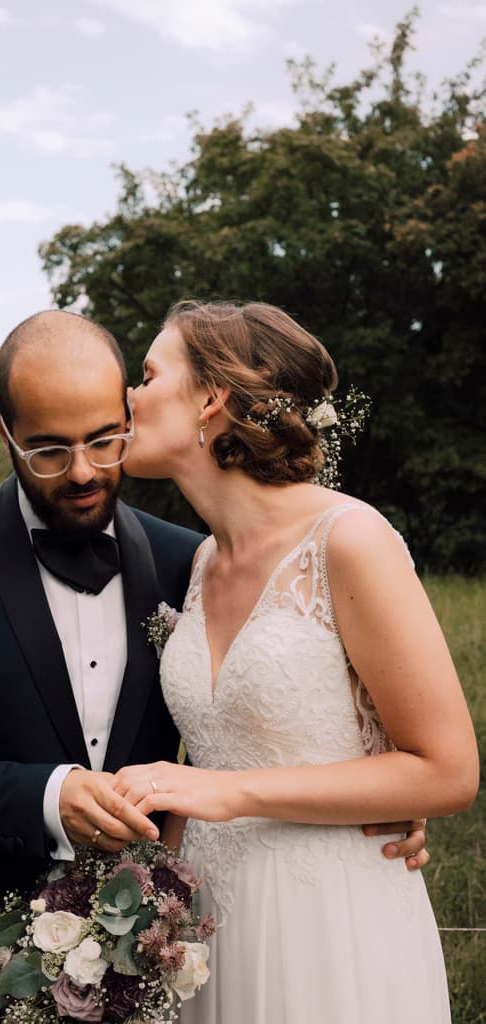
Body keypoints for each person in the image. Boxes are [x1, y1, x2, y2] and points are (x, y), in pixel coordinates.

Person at [0, 308, 429, 1024]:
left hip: (172, 963)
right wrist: (45, 798)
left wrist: (370, 791)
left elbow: (272, 724)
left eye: (103, 438)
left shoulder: (182, 558)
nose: (85, 471)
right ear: (4, 432)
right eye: (48, 451)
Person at [114, 300, 479, 1024]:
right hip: (210, 922)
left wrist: (229, 793)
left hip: (329, 918)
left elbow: (448, 770)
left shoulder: (347, 539)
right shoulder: (199, 562)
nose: (128, 393)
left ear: (210, 399)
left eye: (147, 374)